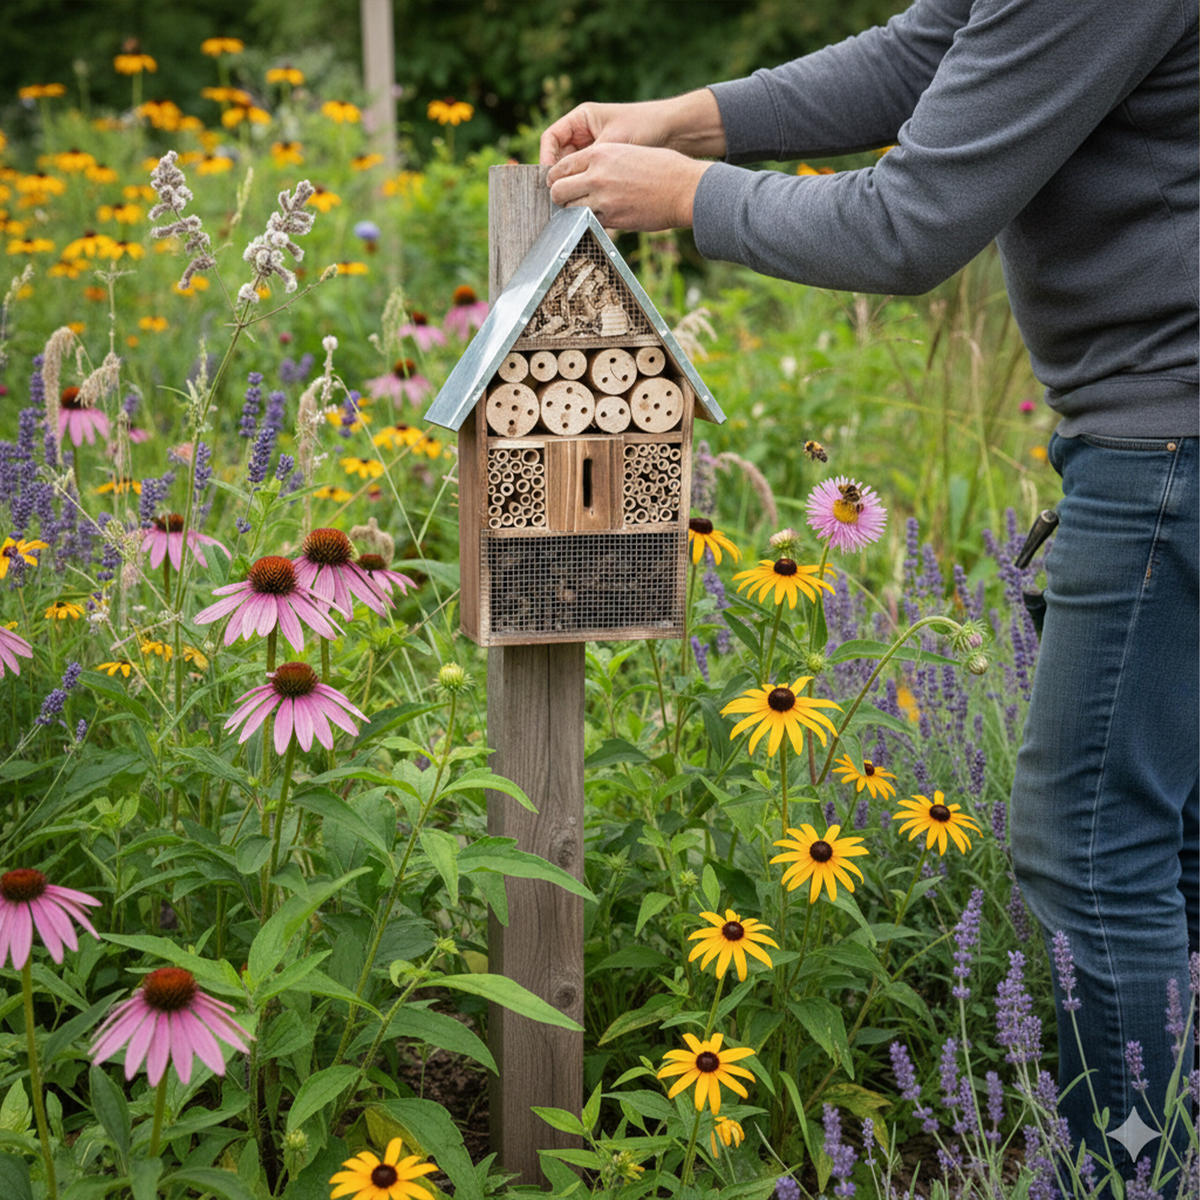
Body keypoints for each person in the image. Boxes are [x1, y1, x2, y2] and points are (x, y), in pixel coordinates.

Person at [540, 0, 1199, 1190]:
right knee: (1170, 842)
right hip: (1163, 443)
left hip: (1168, 456)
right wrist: (693, 123)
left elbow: (907, 226)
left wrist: (685, 196)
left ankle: (1133, 1174)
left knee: (1089, 854)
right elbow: (927, 47)